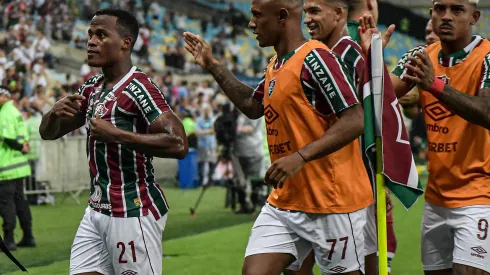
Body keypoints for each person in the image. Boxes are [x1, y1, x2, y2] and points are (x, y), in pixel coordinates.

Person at [184, 0, 373, 274]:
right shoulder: (277, 63)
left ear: (282, 16)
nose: (251, 24)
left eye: (257, 16)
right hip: (286, 202)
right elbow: (252, 105)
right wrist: (213, 65)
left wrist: (300, 156)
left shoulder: (316, 58)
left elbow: (355, 118)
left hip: (333, 202)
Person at [39, 9, 188, 275]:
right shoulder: (91, 88)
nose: (91, 41)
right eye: (90, 35)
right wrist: (53, 112)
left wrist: (117, 134)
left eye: (101, 35)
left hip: (132, 210)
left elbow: (178, 144)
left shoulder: (139, 87)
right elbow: (49, 133)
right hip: (96, 209)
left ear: (125, 43)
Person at [360, 0, 490, 273]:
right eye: (439, 9)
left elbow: (487, 112)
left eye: (457, 10)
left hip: (479, 197)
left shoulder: (488, 56)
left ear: (474, 16)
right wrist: (372, 59)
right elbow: (381, 99)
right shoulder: (420, 55)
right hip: (436, 199)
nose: (446, 16)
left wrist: (435, 85)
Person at [0, 86, 35, 251]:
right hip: (19, 166)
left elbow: (7, 138)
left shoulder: (4, 114)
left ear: (4, 96)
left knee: (6, 204)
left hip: (6, 167)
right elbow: (24, 139)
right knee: (21, 202)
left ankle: (9, 240)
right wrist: (23, 146)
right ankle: (28, 236)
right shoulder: (16, 113)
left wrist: (20, 147)